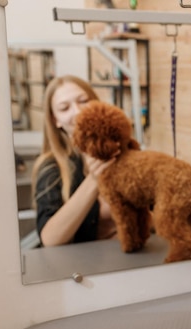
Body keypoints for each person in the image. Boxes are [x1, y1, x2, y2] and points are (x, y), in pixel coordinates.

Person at [31, 75, 118, 246]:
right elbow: (50, 239)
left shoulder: (120, 153)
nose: (78, 112)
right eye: (64, 108)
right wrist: (94, 180)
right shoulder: (50, 168)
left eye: (84, 100)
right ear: (55, 120)